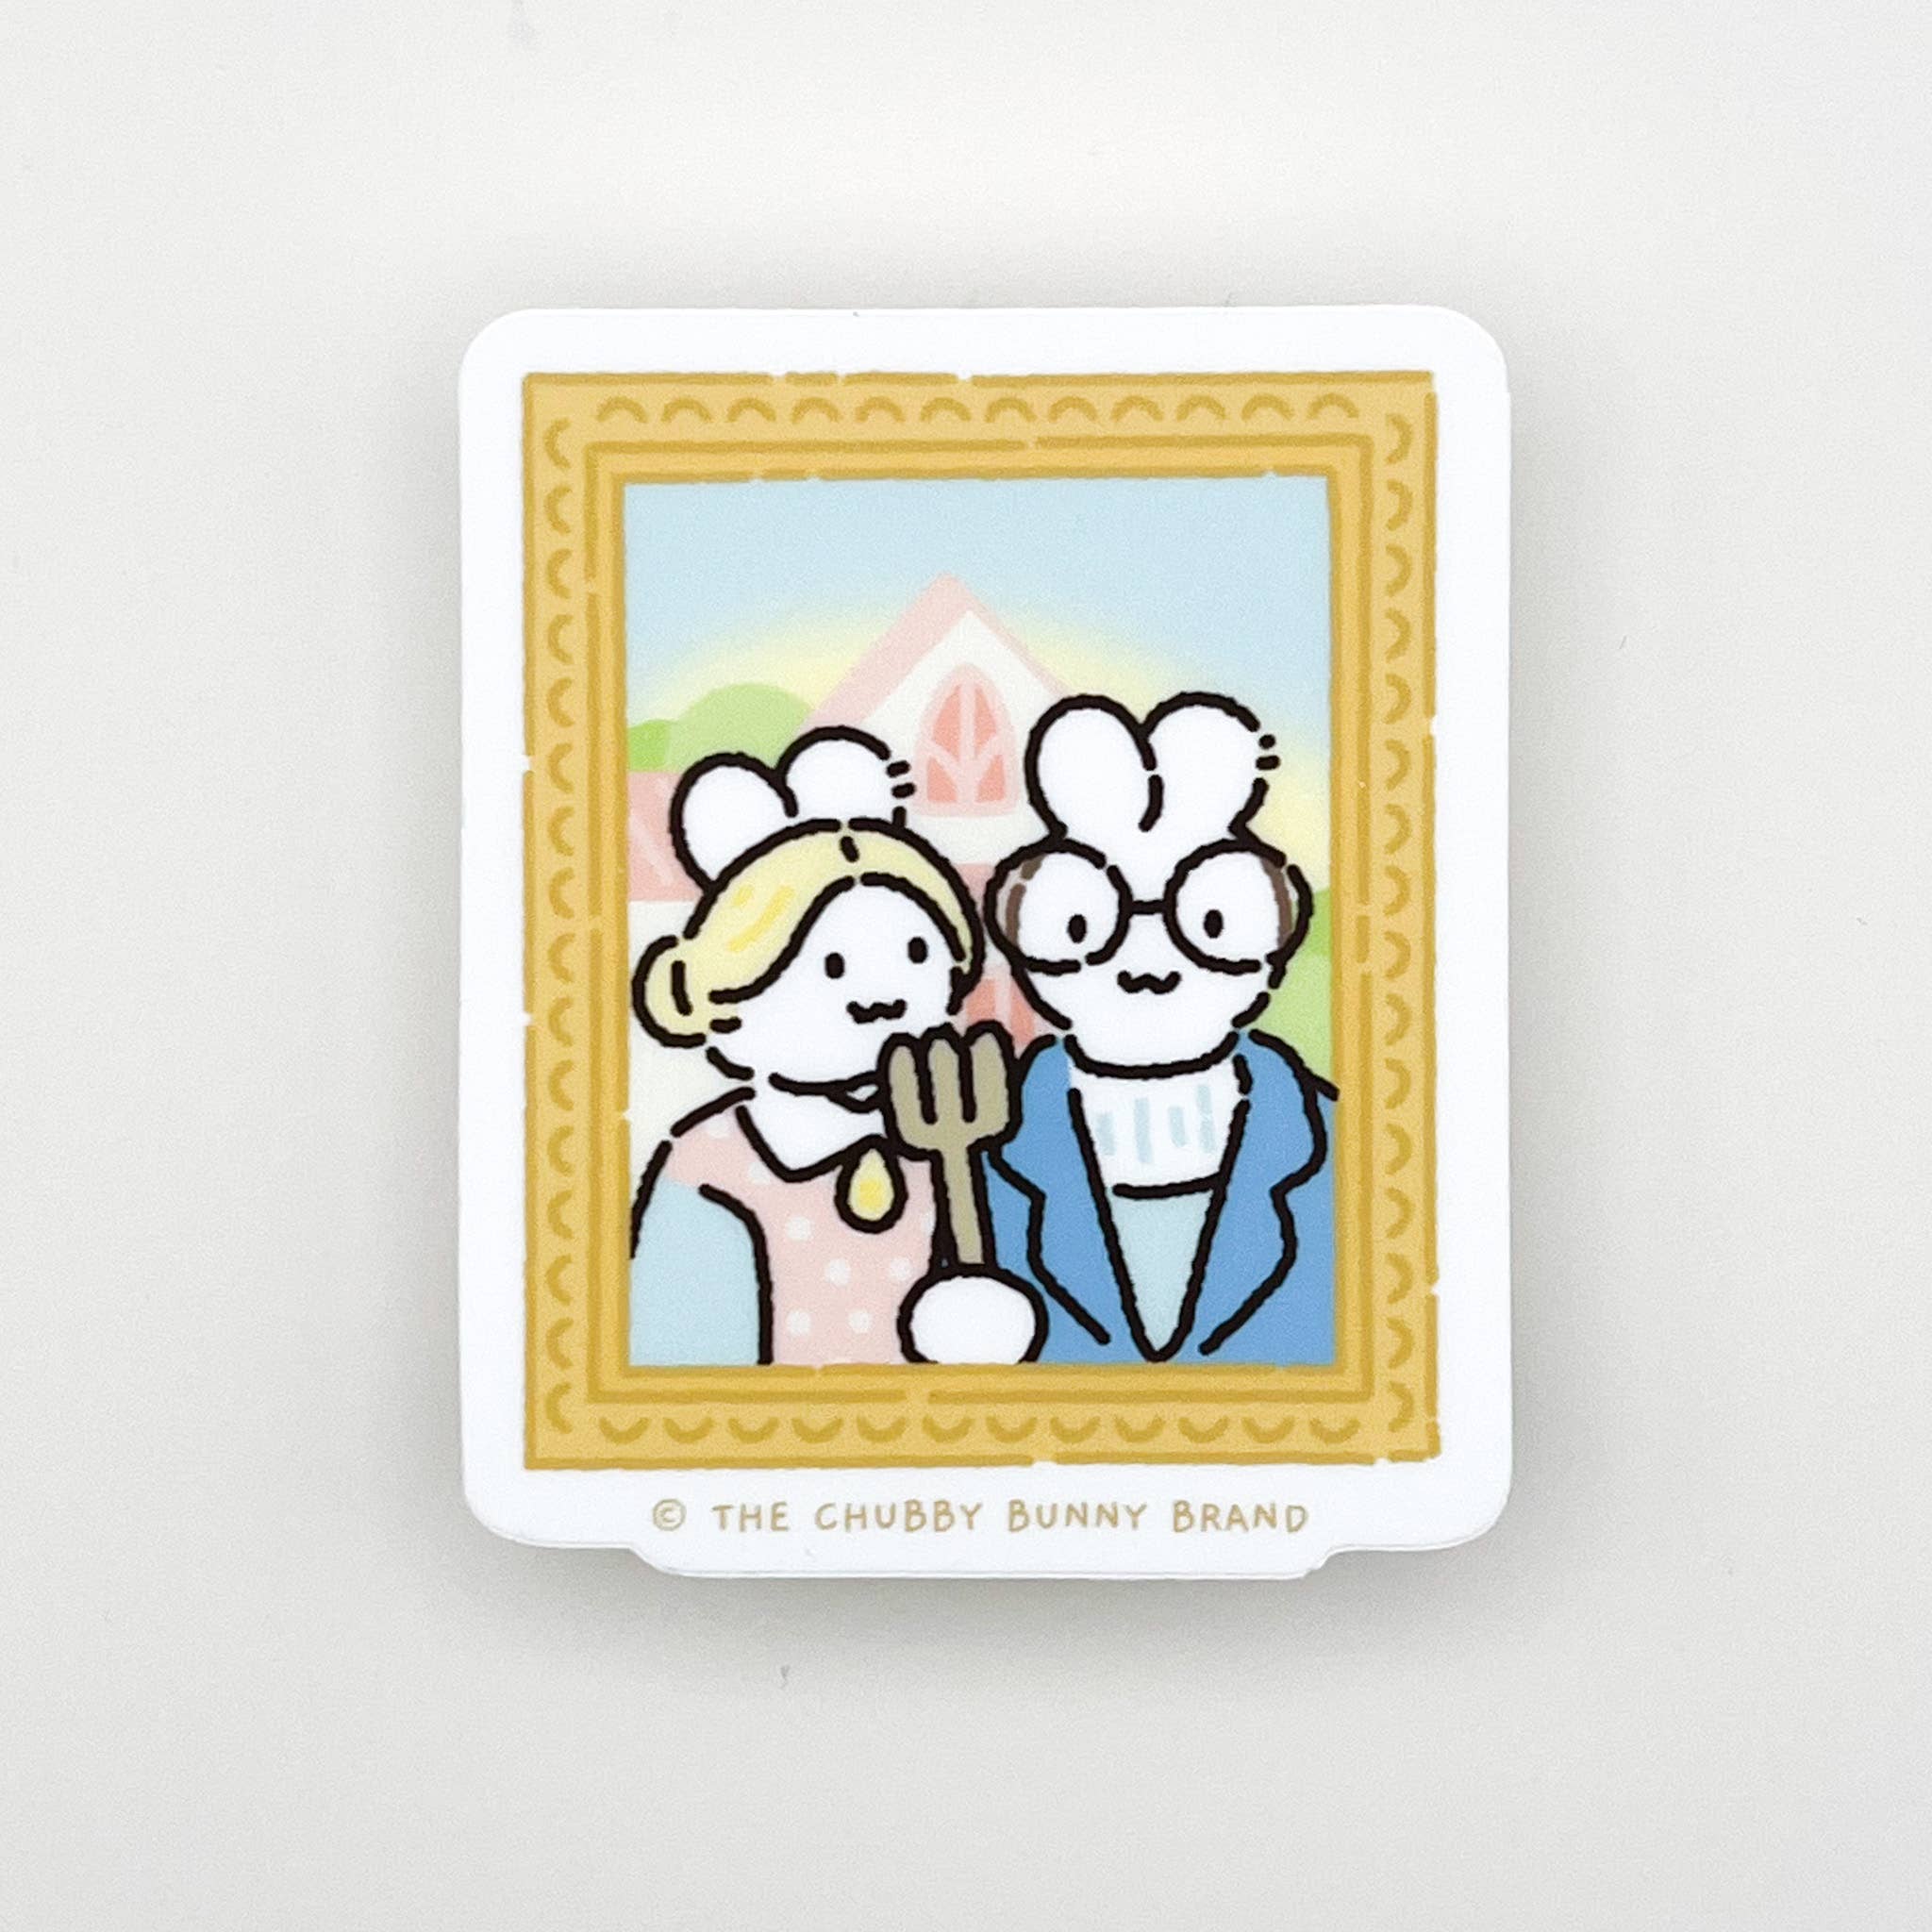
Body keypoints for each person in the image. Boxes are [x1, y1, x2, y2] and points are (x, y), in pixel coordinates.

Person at [974, 693, 1337, 1364]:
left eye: (1211, 924)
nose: (1147, 964)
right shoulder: (984, 1145)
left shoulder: (1340, 1144)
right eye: (1082, 927)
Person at [628, 729, 983, 1366]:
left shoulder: (950, 1138)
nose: (881, 998)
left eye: (916, 953)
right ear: (731, 994)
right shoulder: (709, 1169)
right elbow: (683, 1361)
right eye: (832, 966)